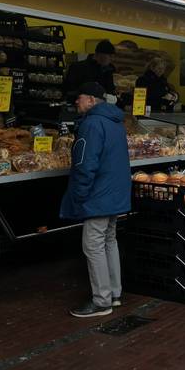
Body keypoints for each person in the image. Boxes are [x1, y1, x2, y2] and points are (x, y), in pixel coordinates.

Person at [60, 82, 131, 318]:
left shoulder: (91, 124)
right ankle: (114, 293)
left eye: (78, 97)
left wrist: (79, 196)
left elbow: (84, 165)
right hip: (115, 191)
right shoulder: (116, 122)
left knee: (93, 245)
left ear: (91, 100)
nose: (75, 102)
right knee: (109, 239)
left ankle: (102, 301)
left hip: (98, 194)